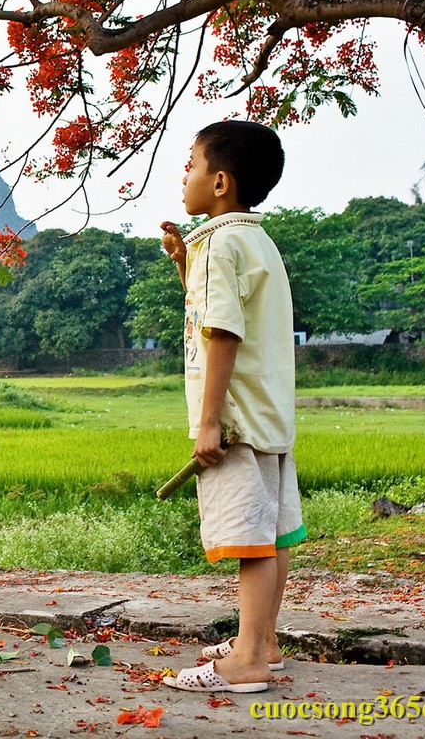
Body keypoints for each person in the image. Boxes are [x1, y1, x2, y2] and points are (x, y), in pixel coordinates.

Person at [157, 120, 305, 694]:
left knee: (249, 540)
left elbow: (220, 333)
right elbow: (213, 307)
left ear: (219, 181)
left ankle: (246, 661)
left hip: (237, 421)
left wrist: (210, 422)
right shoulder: (252, 239)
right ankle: (262, 639)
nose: (184, 174)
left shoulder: (218, 241)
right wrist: (182, 263)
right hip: (268, 417)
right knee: (271, 532)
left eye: (190, 163)